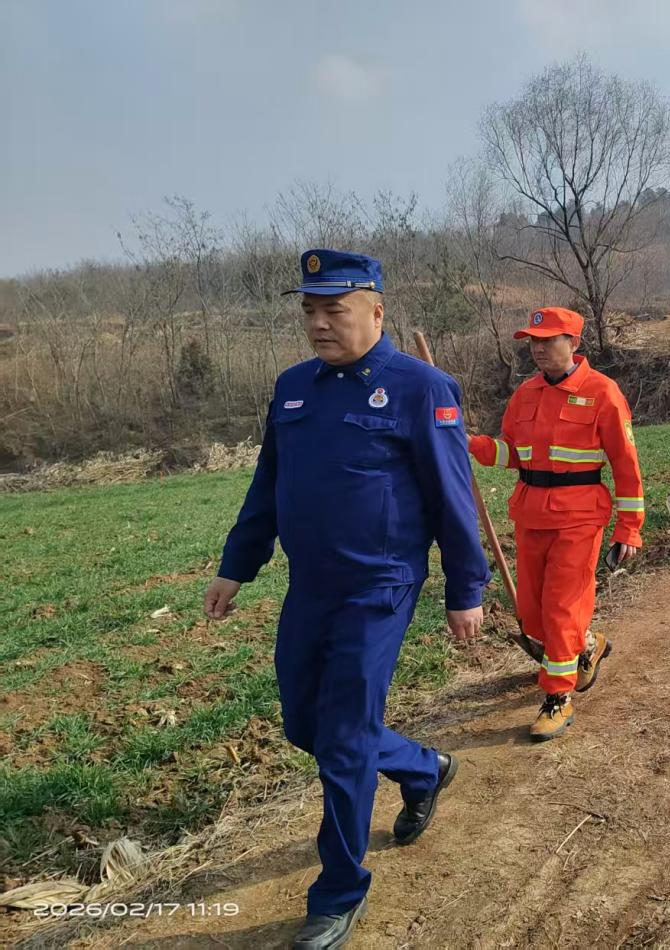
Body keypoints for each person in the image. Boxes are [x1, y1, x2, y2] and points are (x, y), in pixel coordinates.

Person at [204, 249, 489, 948]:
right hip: (311, 585)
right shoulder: (293, 388)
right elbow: (268, 484)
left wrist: (465, 588)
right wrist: (237, 565)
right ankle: (424, 768)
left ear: (376, 311)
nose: (319, 323)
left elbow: (453, 498)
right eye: (310, 310)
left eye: (335, 309)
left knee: (342, 740)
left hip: (380, 586)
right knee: (307, 724)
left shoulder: (421, 388)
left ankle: (337, 894)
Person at [467, 307, 644, 739]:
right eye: (534, 341)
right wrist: (470, 444)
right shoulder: (525, 394)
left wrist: (629, 527)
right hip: (530, 513)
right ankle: (588, 645)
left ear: (574, 342)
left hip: (580, 516)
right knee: (532, 614)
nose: (538, 349)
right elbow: (513, 452)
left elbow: (626, 465)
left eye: (548, 340)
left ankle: (558, 695)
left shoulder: (602, 392)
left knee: (562, 607)